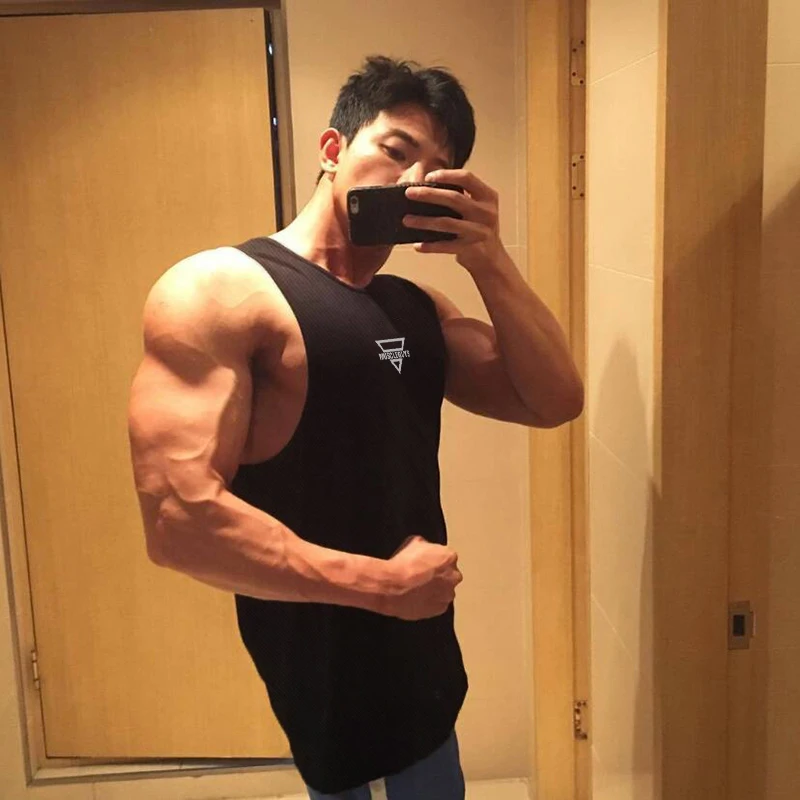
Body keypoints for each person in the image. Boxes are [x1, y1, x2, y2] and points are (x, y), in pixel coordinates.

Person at [127, 55, 583, 800]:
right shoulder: (221, 291)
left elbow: (554, 399)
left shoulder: (416, 306)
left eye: (435, 172)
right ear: (332, 149)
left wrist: (490, 259)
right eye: (396, 151)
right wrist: (382, 585)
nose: (412, 181)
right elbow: (178, 519)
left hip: (424, 652)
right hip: (325, 669)